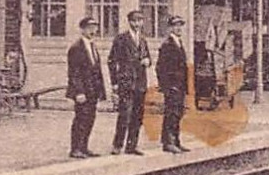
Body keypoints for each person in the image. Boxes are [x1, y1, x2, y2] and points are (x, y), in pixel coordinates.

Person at [107, 9, 151, 156]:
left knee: (137, 116)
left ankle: (132, 146)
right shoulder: (121, 39)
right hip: (126, 83)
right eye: (134, 21)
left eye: (140, 20)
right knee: (124, 114)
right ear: (129, 22)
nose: (137, 23)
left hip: (140, 83)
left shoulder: (143, 40)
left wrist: (147, 61)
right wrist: (114, 82)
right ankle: (117, 145)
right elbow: (112, 61)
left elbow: (148, 58)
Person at [65, 17, 106, 158]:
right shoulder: (76, 48)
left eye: (94, 28)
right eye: (89, 28)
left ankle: (84, 147)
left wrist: (101, 91)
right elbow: (74, 73)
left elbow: (97, 70)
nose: (92, 31)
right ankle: (75, 148)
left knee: (90, 119)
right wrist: (78, 92)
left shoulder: (93, 46)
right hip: (83, 92)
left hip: (93, 91)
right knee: (80, 119)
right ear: (82, 29)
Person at [157, 14, 191, 153]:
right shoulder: (167, 45)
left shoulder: (179, 43)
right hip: (172, 87)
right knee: (171, 113)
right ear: (170, 28)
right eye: (175, 26)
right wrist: (166, 86)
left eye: (180, 26)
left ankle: (176, 140)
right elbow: (160, 68)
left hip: (180, 86)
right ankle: (167, 142)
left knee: (178, 113)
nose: (178, 28)